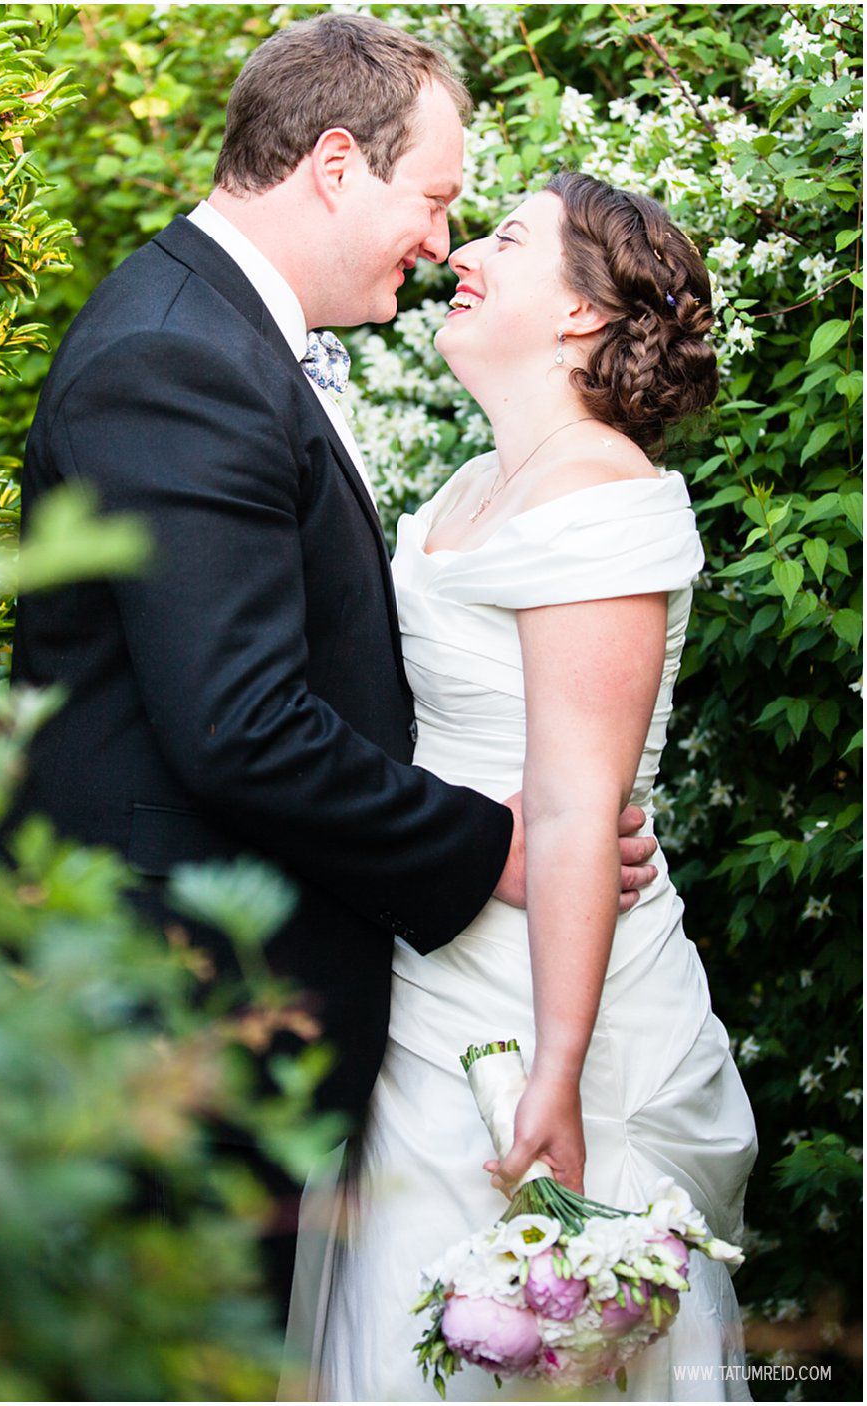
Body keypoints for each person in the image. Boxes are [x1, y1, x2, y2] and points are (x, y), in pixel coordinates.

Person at [5, 14, 657, 1316]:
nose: (439, 242)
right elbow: (241, 725)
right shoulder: (181, 356)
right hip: (173, 1018)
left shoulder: (228, 336)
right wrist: (490, 846)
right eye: (433, 200)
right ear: (337, 164)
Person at [300, 174, 758, 1402]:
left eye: (504, 237)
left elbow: (569, 807)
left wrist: (554, 1072)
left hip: (555, 999)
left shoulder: (600, 494)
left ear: (578, 314)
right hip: (432, 960)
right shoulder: (472, 487)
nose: (461, 253)